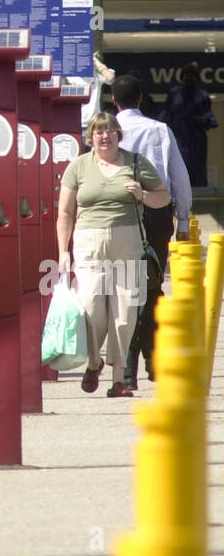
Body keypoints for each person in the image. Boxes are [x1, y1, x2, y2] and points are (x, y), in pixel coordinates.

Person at [57, 112, 170, 397]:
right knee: (91, 307)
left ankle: (118, 379)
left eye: (109, 131)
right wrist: (62, 251)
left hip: (127, 242)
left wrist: (142, 195)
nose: (104, 136)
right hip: (88, 243)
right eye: (98, 131)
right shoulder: (79, 166)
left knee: (124, 315)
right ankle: (94, 363)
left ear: (118, 134)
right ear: (90, 136)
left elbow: (163, 196)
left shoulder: (135, 163)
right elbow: (65, 212)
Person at [111, 73, 192, 387]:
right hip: (157, 215)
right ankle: (153, 359)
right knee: (152, 286)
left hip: (120, 217)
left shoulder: (107, 131)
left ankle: (129, 370)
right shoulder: (160, 130)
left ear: (114, 101)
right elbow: (179, 178)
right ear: (141, 98)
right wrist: (183, 222)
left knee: (126, 290)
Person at [160, 61, 218, 187]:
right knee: (178, 167)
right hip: (179, 138)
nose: (189, 78)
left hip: (197, 141)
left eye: (192, 75)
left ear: (197, 78)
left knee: (197, 170)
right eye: (186, 75)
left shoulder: (202, 95)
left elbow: (209, 116)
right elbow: (166, 113)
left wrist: (205, 121)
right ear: (182, 77)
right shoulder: (175, 93)